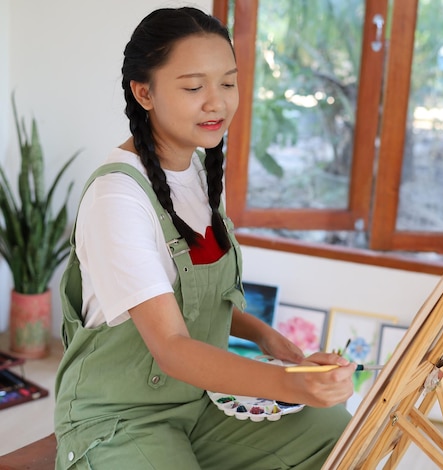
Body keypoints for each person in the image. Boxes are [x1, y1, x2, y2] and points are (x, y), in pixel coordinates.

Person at [54, 7, 355, 470]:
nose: (217, 102)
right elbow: (171, 344)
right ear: (143, 92)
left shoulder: (198, 170)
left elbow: (196, 301)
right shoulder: (117, 196)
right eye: (194, 87)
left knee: (332, 431)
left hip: (196, 403)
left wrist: (267, 338)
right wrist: (292, 386)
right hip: (118, 419)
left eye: (228, 83)